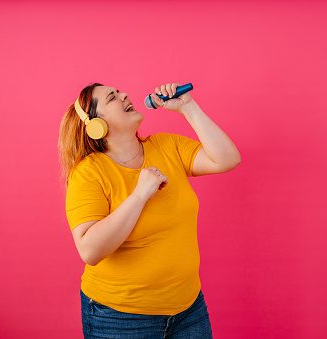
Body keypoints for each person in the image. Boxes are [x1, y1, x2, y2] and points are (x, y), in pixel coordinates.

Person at [58, 82, 240, 338]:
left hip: (189, 309)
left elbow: (227, 159)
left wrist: (189, 108)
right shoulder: (89, 173)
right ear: (96, 125)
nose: (124, 95)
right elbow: (90, 250)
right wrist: (140, 194)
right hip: (120, 318)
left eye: (120, 92)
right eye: (112, 97)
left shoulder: (167, 146)